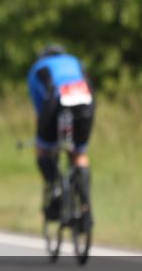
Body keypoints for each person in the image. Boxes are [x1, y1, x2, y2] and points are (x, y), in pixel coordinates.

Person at [27, 44, 94, 230]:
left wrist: (42, 139)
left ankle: (55, 187)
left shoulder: (37, 69)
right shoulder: (75, 61)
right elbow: (89, 85)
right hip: (85, 100)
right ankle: (86, 207)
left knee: (43, 150)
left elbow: (41, 110)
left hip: (56, 100)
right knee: (79, 153)